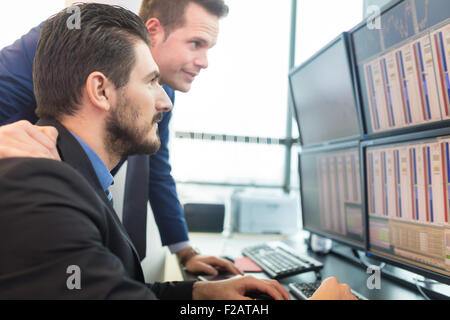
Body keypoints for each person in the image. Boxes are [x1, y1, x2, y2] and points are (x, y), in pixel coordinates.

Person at [0, 3, 295, 300]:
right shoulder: (67, 39)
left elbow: (157, 168)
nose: (204, 61)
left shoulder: (158, 96)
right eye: (196, 43)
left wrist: (195, 281)